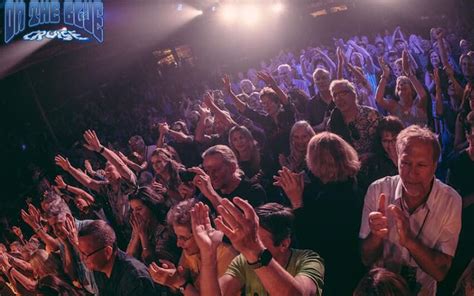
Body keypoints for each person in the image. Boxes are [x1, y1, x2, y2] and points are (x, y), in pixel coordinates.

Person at [359, 125, 462, 295]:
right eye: (405, 163)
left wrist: (410, 241)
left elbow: (440, 272)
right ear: (397, 159)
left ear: (435, 166)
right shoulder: (378, 190)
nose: (411, 173)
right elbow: (366, 258)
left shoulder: (450, 201)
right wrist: (376, 236)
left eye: (421, 165)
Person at [275, 132, 364, 295]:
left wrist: (296, 201)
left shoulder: (340, 196)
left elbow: (312, 243)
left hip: (336, 276)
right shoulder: (342, 184)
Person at [193, 200, 325, 296]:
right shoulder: (244, 261)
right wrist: (208, 254)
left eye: (256, 239)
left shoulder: (309, 259)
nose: (248, 243)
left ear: (284, 244)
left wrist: (255, 250)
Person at [148, 199, 237, 295]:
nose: (178, 244)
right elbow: (179, 287)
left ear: (202, 232)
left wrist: (180, 282)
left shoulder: (227, 256)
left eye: (184, 238)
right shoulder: (190, 251)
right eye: (177, 237)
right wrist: (171, 279)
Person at [77, 220, 159, 296]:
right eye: (81, 253)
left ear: (107, 251)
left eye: (86, 254)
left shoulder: (134, 278)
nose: (83, 258)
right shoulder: (100, 269)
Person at [190, 145, 267, 211]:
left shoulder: (253, 191)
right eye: (207, 171)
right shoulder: (208, 192)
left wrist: (212, 196)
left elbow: (245, 227)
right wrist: (188, 196)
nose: (210, 175)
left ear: (232, 167)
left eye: (216, 169)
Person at [126, 186, 179, 265]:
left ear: (151, 207)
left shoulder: (165, 231)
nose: (135, 214)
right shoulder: (140, 226)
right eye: (133, 210)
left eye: (139, 209)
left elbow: (154, 264)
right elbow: (129, 259)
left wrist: (143, 236)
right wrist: (137, 235)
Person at [328, 79, 381, 156]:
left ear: (353, 94)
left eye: (343, 93)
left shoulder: (371, 114)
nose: (338, 98)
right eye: (335, 95)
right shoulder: (333, 123)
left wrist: (370, 156)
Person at [376, 51, 428, 127]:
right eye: (399, 84)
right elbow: (379, 99)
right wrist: (384, 75)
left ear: (412, 89)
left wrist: (409, 74)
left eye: (404, 83)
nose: (401, 85)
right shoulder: (393, 106)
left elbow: (423, 96)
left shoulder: (418, 105)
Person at [359, 116, 405, 192]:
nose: (391, 145)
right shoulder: (372, 165)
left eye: (394, 139)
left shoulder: (410, 159)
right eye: (386, 141)